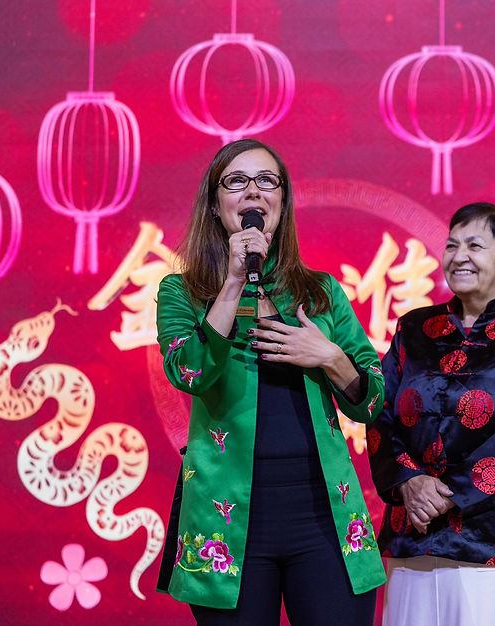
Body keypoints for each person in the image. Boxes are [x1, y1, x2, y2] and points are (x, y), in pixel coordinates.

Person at [154, 139, 386, 624]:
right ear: (216, 207)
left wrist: (330, 357)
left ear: (282, 201)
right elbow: (189, 371)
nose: (253, 192)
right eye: (236, 182)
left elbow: (373, 399)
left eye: (267, 181)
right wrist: (234, 281)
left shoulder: (320, 292)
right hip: (227, 522)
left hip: (324, 513)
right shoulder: (183, 291)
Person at [367, 202, 495, 626]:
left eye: (475, 245)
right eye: (451, 245)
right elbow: (379, 411)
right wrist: (408, 483)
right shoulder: (414, 328)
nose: (459, 256)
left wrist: (439, 497)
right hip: (414, 540)